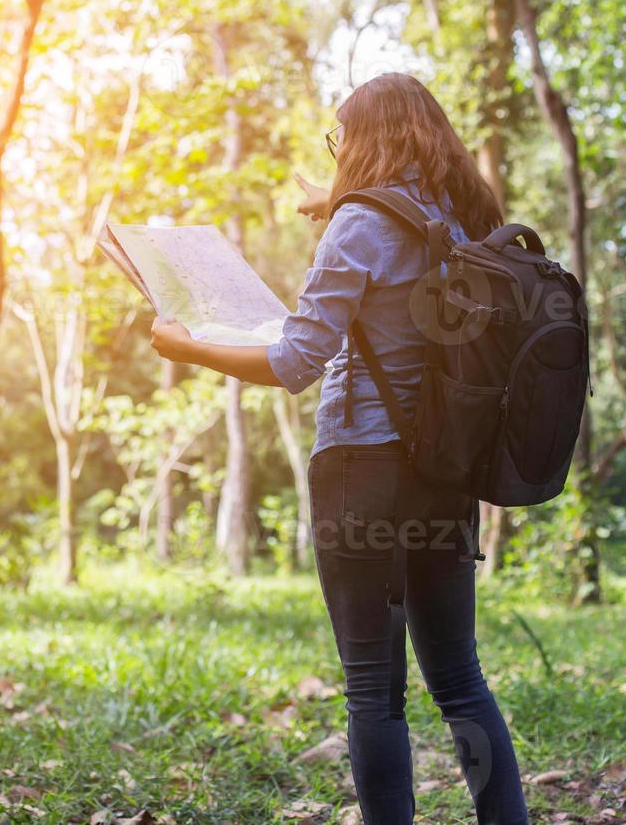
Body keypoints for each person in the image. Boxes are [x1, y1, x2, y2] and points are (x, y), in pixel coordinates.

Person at [149, 73, 529, 824]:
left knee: (371, 687)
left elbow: (295, 362)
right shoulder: (461, 217)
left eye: (341, 137)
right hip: (446, 471)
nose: (338, 152)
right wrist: (332, 203)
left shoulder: (359, 223)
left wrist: (190, 349)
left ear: (365, 140)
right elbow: (406, 257)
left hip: (364, 470)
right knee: (458, 675)